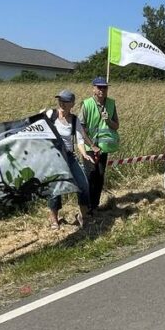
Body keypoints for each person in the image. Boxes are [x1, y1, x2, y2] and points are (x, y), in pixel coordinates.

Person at [46, 89, 96, 229]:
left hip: (69, 156)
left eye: (65, 101)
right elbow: (38, 125)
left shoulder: (74, 120)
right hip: (54, 157)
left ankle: (83, 215)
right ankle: (54, 219)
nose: (62, 103)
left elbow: (79, 140)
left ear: (72, 104)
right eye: (60, 100)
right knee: (55, 188)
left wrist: (85, 154)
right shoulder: (51, 115)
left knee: (83, 184)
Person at [79, 76, 117, 213]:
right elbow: (80, 127)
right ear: (93, 89)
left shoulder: (111, 104)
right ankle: (86, 206)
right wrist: (92, 145)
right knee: (90, 175)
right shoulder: (87, 104)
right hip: (89, 147)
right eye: (99, 87)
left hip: (104, 147)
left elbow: (116, 126)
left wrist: (108, 121)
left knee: (100, 176)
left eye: (104, 87)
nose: (102, 90)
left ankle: (94, 206)